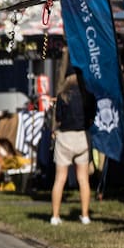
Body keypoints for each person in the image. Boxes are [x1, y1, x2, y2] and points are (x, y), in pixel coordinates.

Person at [49, 69, 94, 225]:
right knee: (83, 179)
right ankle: (85, 215)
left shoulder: (63, 96)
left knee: (60, 179)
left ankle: (55, 216)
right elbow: (92, 117)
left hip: (65, 137)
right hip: (82, 136)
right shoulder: (88, 94)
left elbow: (59, 118)